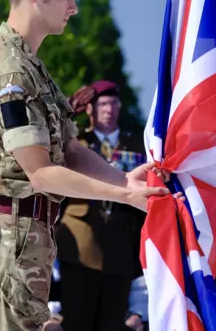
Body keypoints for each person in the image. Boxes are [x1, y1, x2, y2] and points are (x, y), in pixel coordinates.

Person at [0, 0, 168, 331]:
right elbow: (40, 173)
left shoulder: (31, 66)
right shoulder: (9, 71)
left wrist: (123, 180)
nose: (73, 8)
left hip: (25, 233)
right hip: (6, 237)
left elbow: (70, 150)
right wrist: (123, 196)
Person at [55, 80, 147, 331]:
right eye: (103, 104)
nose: (109, 109)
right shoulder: (75, 142)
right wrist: (66, 114)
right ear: (90, 110)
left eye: (114, 103)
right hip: (79, 244)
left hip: (121, 245)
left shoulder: (138, 145)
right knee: (77, 319)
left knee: (113, 321)